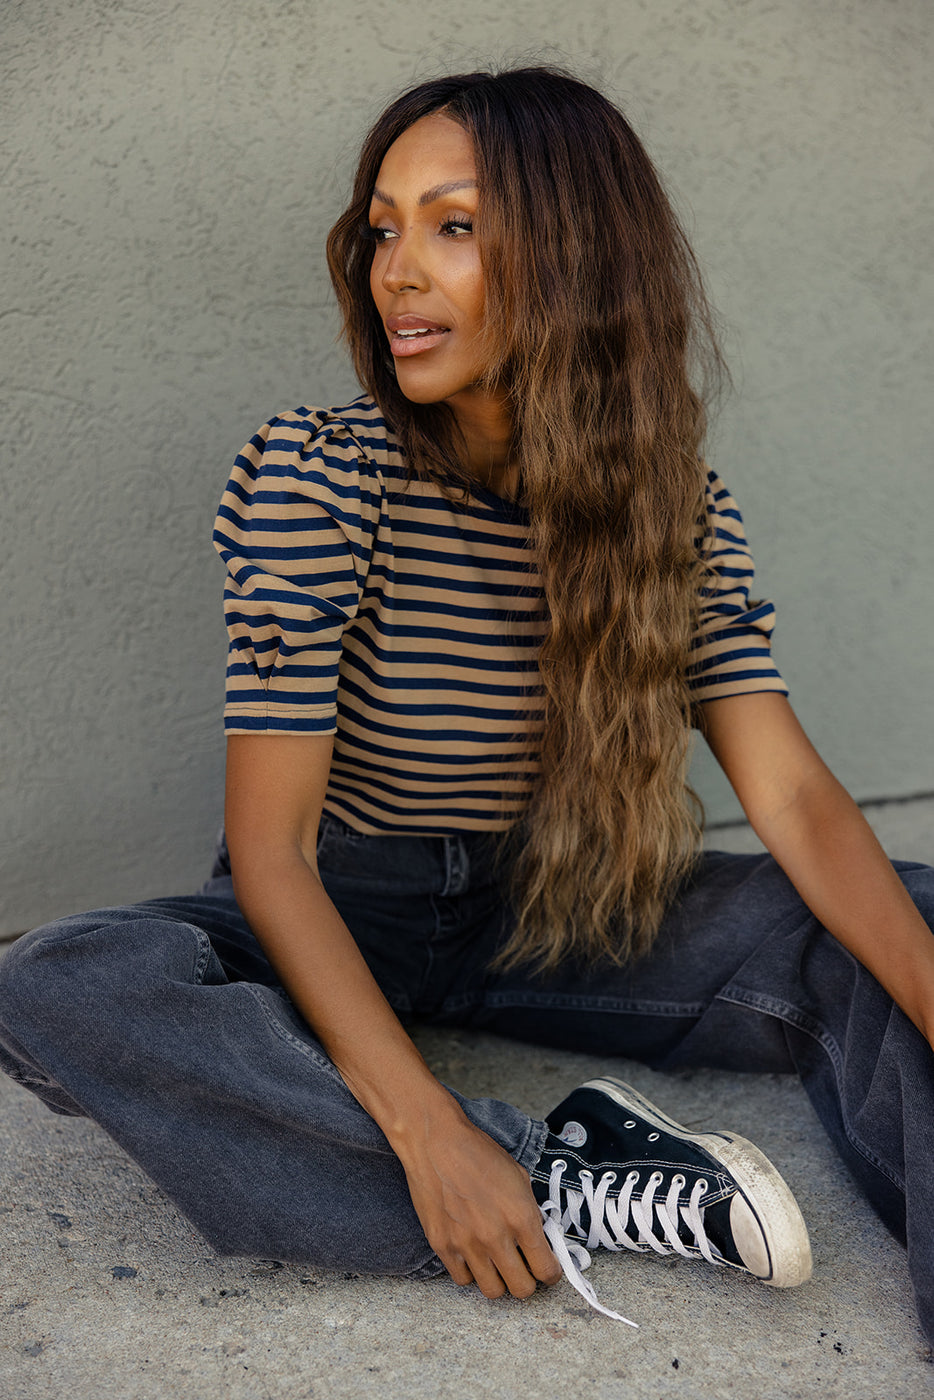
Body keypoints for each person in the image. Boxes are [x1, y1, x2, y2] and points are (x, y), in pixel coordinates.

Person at [1, 65, 933, 1336]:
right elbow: (270, 854)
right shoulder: (322, 476)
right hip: (347, 906)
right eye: (382, 227)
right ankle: (561, 1173)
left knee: (902, 918)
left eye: (453, 225)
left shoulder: (671, 512)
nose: (395, 269)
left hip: (560, 904)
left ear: (576, 256)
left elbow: (795, 796)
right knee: (71, 976)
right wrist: (429, 1127)